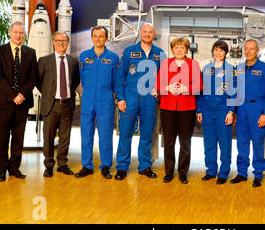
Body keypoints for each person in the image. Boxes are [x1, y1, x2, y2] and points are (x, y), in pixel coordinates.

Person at [115, 23, 165, 180]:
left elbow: (165, 78)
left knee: (147, 135)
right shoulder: (129, 51)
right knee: (125, 134)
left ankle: (144, 166)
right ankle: (122, 167)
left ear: (154, 34)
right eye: (145, 31)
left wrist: (160, 91)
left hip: (149, 101)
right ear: (140, 32)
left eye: (150, 32)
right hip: (130, 99)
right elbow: (120, 76)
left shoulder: (160, 53)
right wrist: (121, 98)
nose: (147, 34)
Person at [0, 21, 37, 181]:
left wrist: (22, 94)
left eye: (21, 33)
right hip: (3, 102)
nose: (18, 35)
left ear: (24, 35)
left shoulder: (31, 52)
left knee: (18, 138)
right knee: (2, 138)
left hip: (22, 102)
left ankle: (14, 167)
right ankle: (1, 169)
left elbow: (33, 77)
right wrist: (13, 95)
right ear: (10, 33)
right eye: (16, 32)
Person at [75, 26, 120, 179]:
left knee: (106, 134)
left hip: (106, 99)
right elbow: (82, 77)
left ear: (106, 38)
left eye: (101, 36)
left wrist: (116, 96)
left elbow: (117, 81)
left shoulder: (113, 58)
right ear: (92, 37)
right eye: (95, 36)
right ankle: (86, 165)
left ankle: (106, 166)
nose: (98, 39)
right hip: (88, 99)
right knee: (86, 133)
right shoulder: (84, 56)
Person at [156, 37, 202, 184]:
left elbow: (200, 86)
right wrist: (167, 88)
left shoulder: (193, 65)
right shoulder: (165, 64)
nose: (179, 50)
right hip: (168, 108)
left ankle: (183, 172)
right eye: (176, 47)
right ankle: (168, 172)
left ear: (187, 49)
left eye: (182, 47)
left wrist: (186, 89)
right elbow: (158, 85)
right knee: (169, 142)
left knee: (185, 142)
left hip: (186, 109)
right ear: (172, 49)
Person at [230, 39, 265, 187]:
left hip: (257, 110)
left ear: (257, 51)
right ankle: (242, 173)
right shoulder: (239, 68)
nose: (248, 51)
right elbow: (234, 90)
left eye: (252, 49)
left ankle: (258, 174)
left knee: (257, 144)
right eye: (246, 49)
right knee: (242, 144)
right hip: (242, 111)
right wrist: (234, 111)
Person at [37, 31, 80, 178]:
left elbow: (74, 81)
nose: (61, 43)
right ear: (53, 42)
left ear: (67, 43)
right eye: (58, 40)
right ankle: (49, 165)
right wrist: (49, 93)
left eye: (64, 41)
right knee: (48, 137)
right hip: (51, 105)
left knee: (65, 137)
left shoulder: (73, 61)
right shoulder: (44, 61)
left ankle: (62, 164)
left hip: (67, 104)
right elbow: (38, 82)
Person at [196, 40, 236, 185]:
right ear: (212, 51)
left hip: (223, 111)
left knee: (224, 143)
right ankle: (211, 170)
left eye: (221, 50)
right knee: (209, 143)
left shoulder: (231, 70)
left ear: (226, 53)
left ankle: (224, 172)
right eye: (216, 50)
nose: (218, 53)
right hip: (207, 111)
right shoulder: (206, 68)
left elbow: (234, 93)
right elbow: (200, 91)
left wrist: (231, 111)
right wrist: (199, 110)